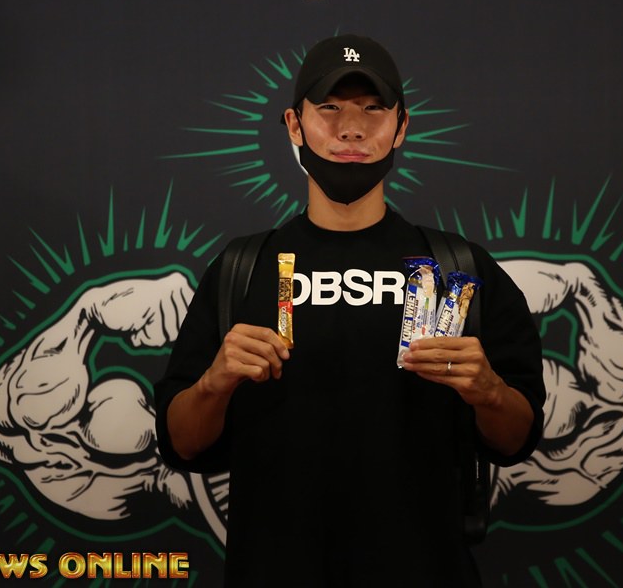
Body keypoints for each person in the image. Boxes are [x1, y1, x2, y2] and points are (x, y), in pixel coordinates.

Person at [154, 34, 545, 586]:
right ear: (294, 125)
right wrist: (213, 383)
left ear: (401, 127)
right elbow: (180, 444)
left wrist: (490, 392)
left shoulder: (458, 267)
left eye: (373, 109)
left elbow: (518, 439)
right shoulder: (242, 268)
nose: (352, 129)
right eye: (330, 107)